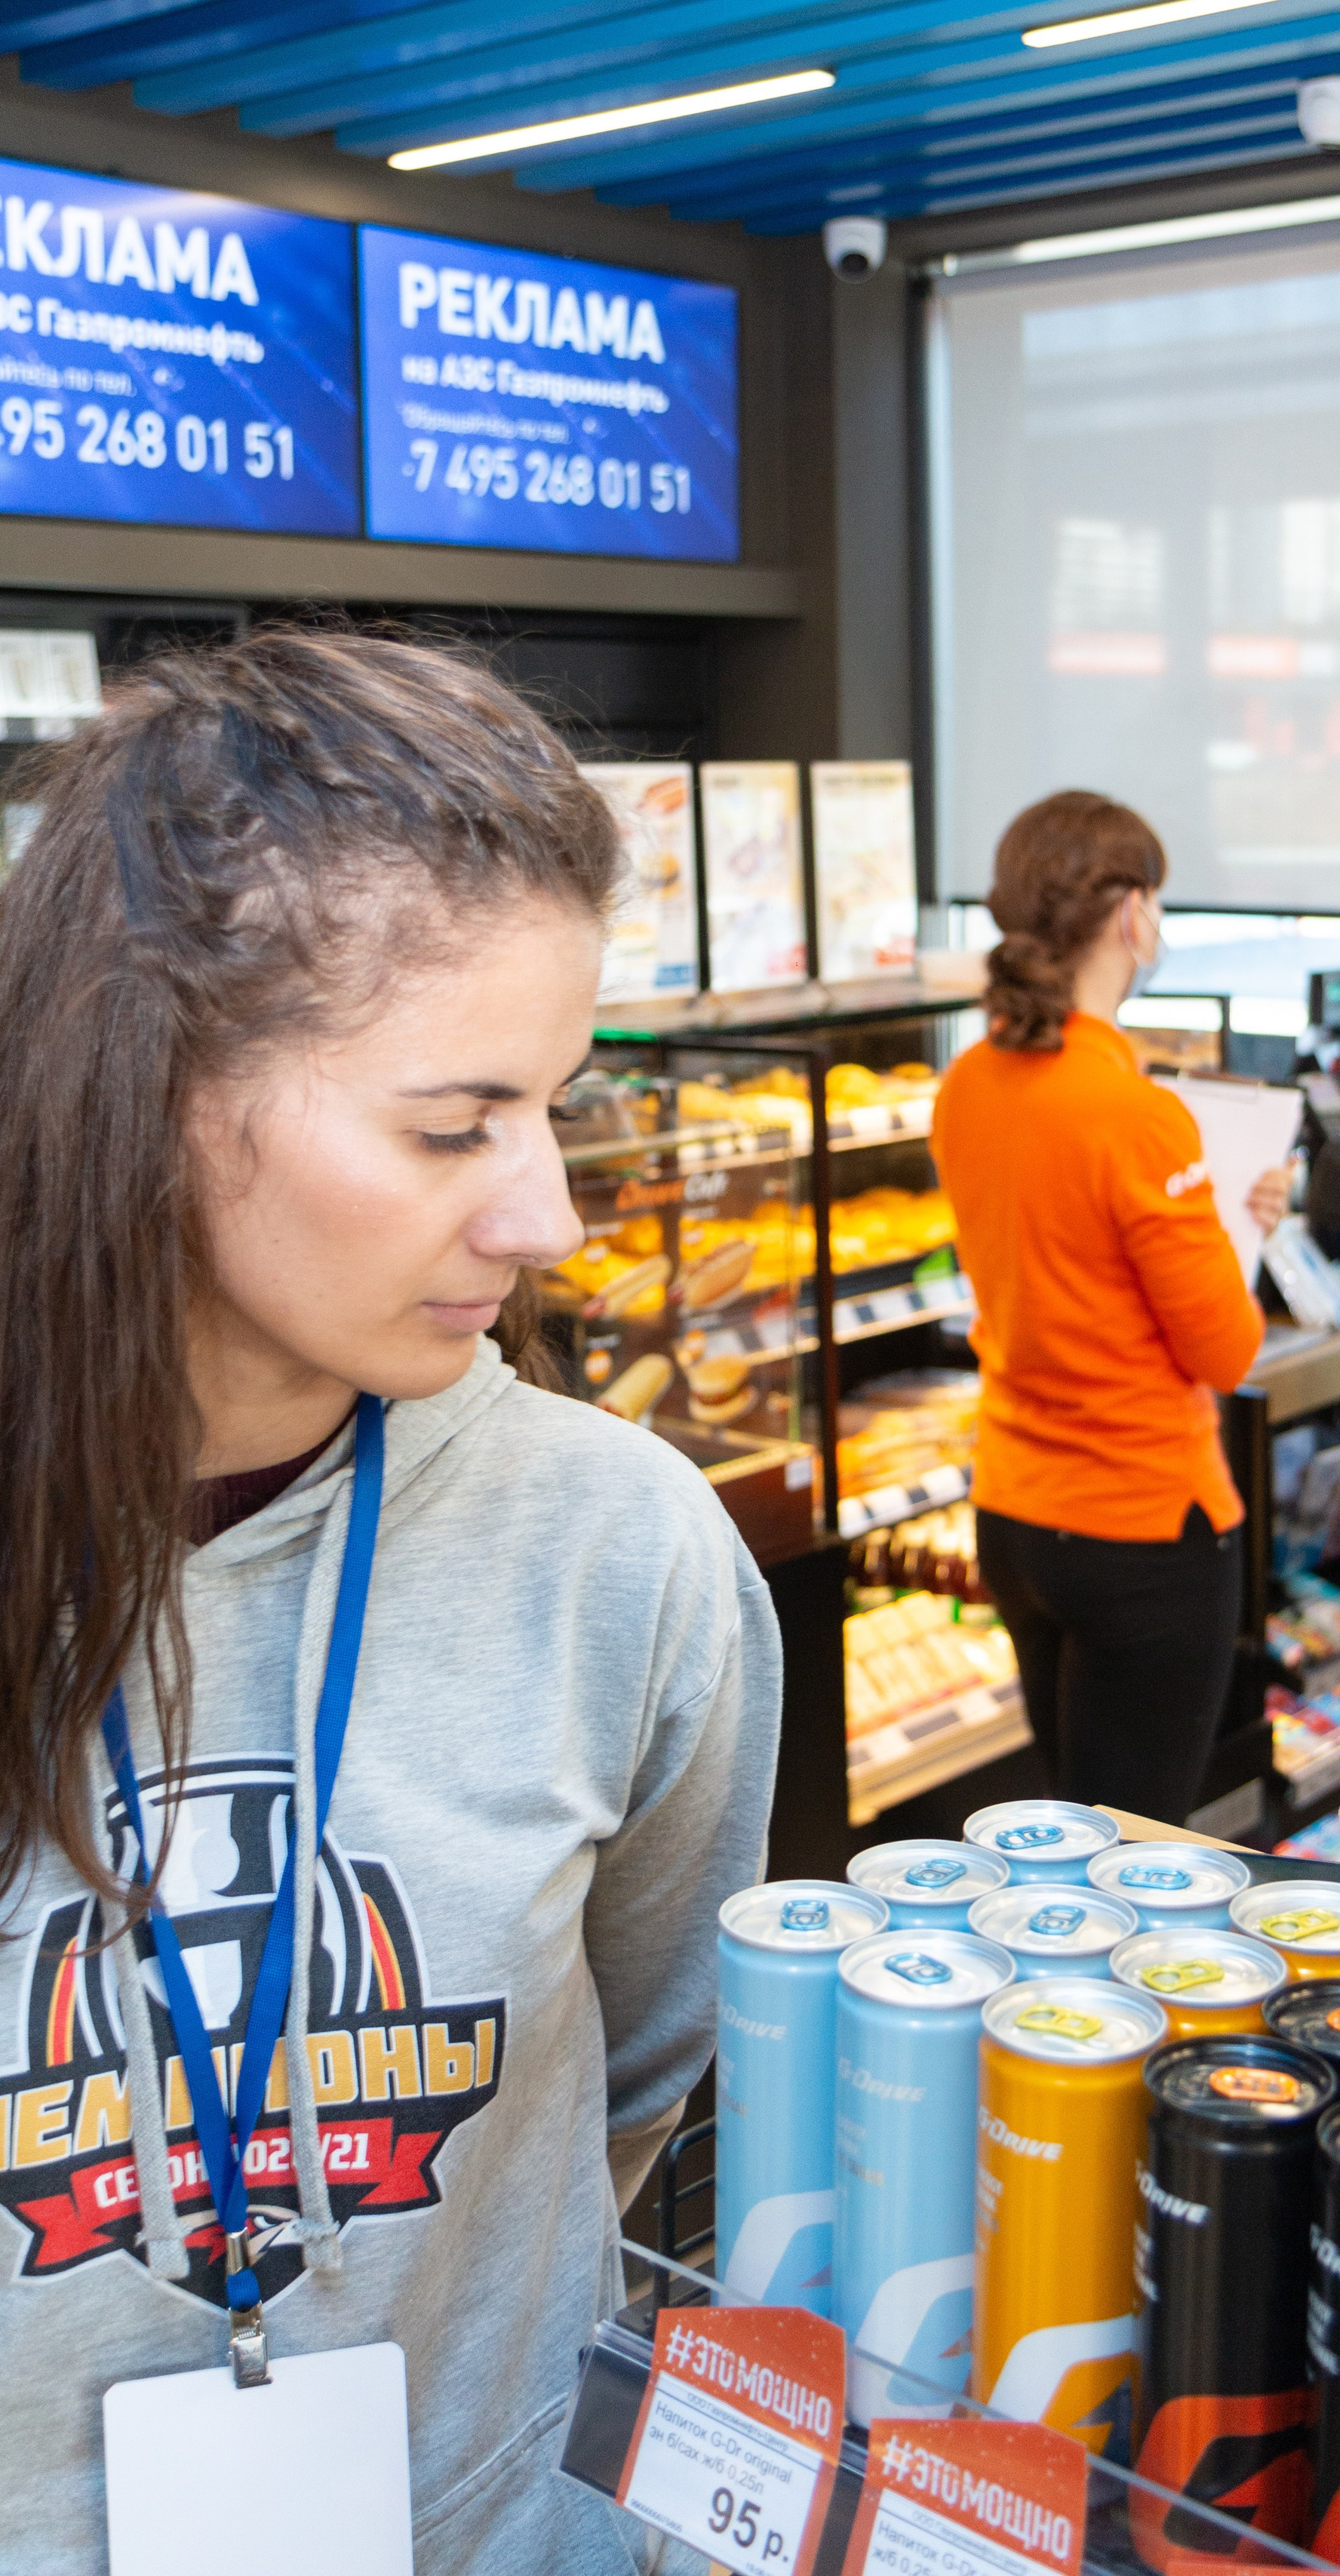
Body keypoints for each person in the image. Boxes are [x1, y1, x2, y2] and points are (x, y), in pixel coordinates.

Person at [0, 632, 780, 2574]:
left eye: (556, 1106)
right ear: (150, 1087)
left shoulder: (621, 1553)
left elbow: (634, 2080)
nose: (546, 1218)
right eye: (453, 1124)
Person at [932, 790, 1290, 1821]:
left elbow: (1062, 1258)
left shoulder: (966, 1086)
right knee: (1135, 1849)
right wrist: (1236, 1230)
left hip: (1016, 1513)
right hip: (1143, 1528)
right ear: (1132, 913)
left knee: (1070, 1833)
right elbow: (1225, 1349)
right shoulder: (1138, 1114)